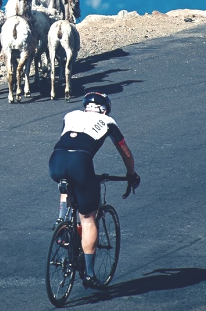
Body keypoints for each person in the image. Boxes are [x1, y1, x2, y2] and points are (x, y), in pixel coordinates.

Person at [48, 91, 140, 288]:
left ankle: (62, 222)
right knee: (88, 218)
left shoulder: (70, 116)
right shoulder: (108, 121)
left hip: (56, 160)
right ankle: (89, 274)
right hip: (80, 163)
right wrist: (131, 174)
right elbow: (126, 153)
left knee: (67, 182)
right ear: (105, 109)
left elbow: (70, 143)